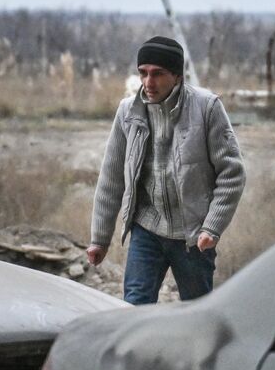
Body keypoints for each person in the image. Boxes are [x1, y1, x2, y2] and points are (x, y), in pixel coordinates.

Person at [86, 36, 245, 304]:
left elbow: (232, 173)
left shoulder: (207, 108)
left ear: (177, 75)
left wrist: (212, 228)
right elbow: (111, 179)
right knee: (134, 307)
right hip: (146, 230)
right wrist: (99, 239)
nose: (148, 82)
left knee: (196, 311)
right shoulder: (128, 112)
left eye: (158, 74)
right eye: (143, 73)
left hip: (193, 236)